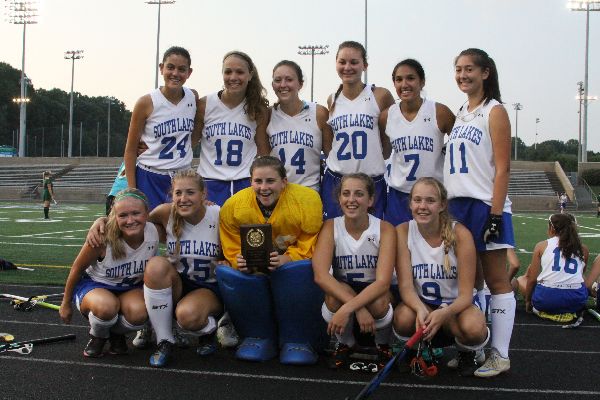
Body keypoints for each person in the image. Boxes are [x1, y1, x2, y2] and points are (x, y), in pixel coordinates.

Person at [443, 48, 515, 377]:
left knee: (498, 281)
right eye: (458, 69)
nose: (462, 75)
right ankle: (473, 347)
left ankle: (500, 354)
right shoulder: (461, 112)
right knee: (469, 282)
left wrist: (496, 215)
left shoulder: (494, 111)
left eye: (469, 69)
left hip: (485, 204)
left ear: (485, 73)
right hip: (457, 206)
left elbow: (503, 169)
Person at [216, 155, 326, 365]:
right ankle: (257, 335)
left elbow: (311, 241)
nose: (263, 187)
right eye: (258, 181)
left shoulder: (307, 200)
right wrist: (238, 259)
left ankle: (299, 338)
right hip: (256, 269)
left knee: (302, 270)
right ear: (251, 182)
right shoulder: (234, 206)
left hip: (290, 266)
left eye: (270, 181)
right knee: (233, 275)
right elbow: (230, 243)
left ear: (284, 182)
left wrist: (289, 258)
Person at [393, 177, 489, 377]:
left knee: (473, 328)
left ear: (442, 205)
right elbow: (406, 287)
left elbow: (465, 295)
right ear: (410, 203)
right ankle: (418, 350)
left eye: (430, 200)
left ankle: (468, 352)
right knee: (402, 318)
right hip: (424, 306)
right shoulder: (402, 231)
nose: (422, 206)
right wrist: (420, 309)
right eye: (417, 200)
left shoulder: (460, 234)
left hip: (456, 309)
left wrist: (444, 313)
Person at [59, 188, 159, 357]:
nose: (130, 220)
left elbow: (178, 214)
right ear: (114, 216)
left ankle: (116, 334)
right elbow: (77, 268)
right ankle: (98, 336)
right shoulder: (101, 237)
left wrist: (206, 205)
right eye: (123, 215)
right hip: (96, 286)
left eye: (136, 213)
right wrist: (65, 303)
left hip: (129, 288)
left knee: (140, 313)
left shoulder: (154, 230)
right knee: (106, 307)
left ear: (147, 213)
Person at [312, 173, 396, 370]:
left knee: (379, 301)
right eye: (346, 194)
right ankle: (345, 343)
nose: (351, 200)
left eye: (359, 194)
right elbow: (321, 275)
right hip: (345, 290)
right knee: (333, 297)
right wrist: (356, 308)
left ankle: (383, 344)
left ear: (371, 200)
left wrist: (350, 308)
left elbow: (383, 282)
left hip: (376, 294)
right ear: (339, 198)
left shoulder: (384, 229)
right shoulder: (330, 226)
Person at [141, 169, 222, 367]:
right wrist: (102, 222)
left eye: (190, 192)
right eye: (178, 193)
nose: (183, 198)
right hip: (178, 284)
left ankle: (210, 330)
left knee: (188, 317)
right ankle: (164, 339)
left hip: (208, 288)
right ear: (172, 195)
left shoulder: (219, 214)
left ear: (204, 195)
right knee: (155, 266)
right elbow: (131, 222)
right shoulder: (165, 212)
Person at [322, 40, 395, 219]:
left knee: (373, 237)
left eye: (354, 62)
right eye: (342, 62)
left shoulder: (380, 95)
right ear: (336, 64)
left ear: (365, 65)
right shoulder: (332, 99)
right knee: (334, 235)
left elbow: (390, 138)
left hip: (371, 180)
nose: (348, 67)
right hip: (337, 179)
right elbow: (331, 145)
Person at [380, 58, 455, 226]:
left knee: (435, 248)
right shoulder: (386, 116)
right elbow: (384, 152)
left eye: (410, 78)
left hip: (431, 196)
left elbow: (458, 145)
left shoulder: (439, 112)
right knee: (399, 248)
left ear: (422, 82)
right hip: (399, 195)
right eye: (399, 79)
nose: (404, 84)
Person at [124, 46, 199, 210]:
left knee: (179, 230)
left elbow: (193, 134)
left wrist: (182, 151)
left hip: (182, 177)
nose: (175, 73)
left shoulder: (193, 96)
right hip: (150, 175)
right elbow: (130, 150)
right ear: (161, 68)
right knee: (149, 229)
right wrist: (132, 190)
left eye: (181, 69)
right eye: (170, 67)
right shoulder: (146, 102)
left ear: (189, 72)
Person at [196, 50, 270, 206]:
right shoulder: (205, 104)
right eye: (228, 72)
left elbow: (263, 151)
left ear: (250, 75)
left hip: (244, 183)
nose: (233, 77)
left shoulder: (258, 109)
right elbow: (188, 142)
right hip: (209, 183)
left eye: (240, 72)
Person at [267, 60, 331, 191]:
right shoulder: (267, 115)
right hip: (277, 195)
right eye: (278, 80)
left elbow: (331, 157)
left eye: (289, 79)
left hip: (309, 194)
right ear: (272, 84)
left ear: (300, 84)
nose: (283, 85)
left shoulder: (319, 113)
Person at [514, 214, 589, 321]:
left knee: (521, 279)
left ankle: (537, 306)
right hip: (576, 302)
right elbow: (581, 276)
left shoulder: (541, 245)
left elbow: (532, 280)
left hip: (546, 300)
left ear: (552, 228)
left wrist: (528, 301)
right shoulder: (583, 249)